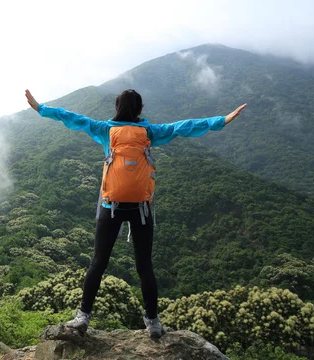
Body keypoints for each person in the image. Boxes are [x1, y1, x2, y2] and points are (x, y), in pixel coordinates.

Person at [24, 88, 247, 338]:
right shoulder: (149, 133)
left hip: (111, 207)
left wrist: (41, 108)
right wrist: (222, 120)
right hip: (141, 209)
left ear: (116, 108)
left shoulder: (105, 130)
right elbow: (183, 126)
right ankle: (152, 321)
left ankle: (83, 317)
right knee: (145, 266)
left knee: (98, 262)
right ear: (139, 110)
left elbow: (72, 118)